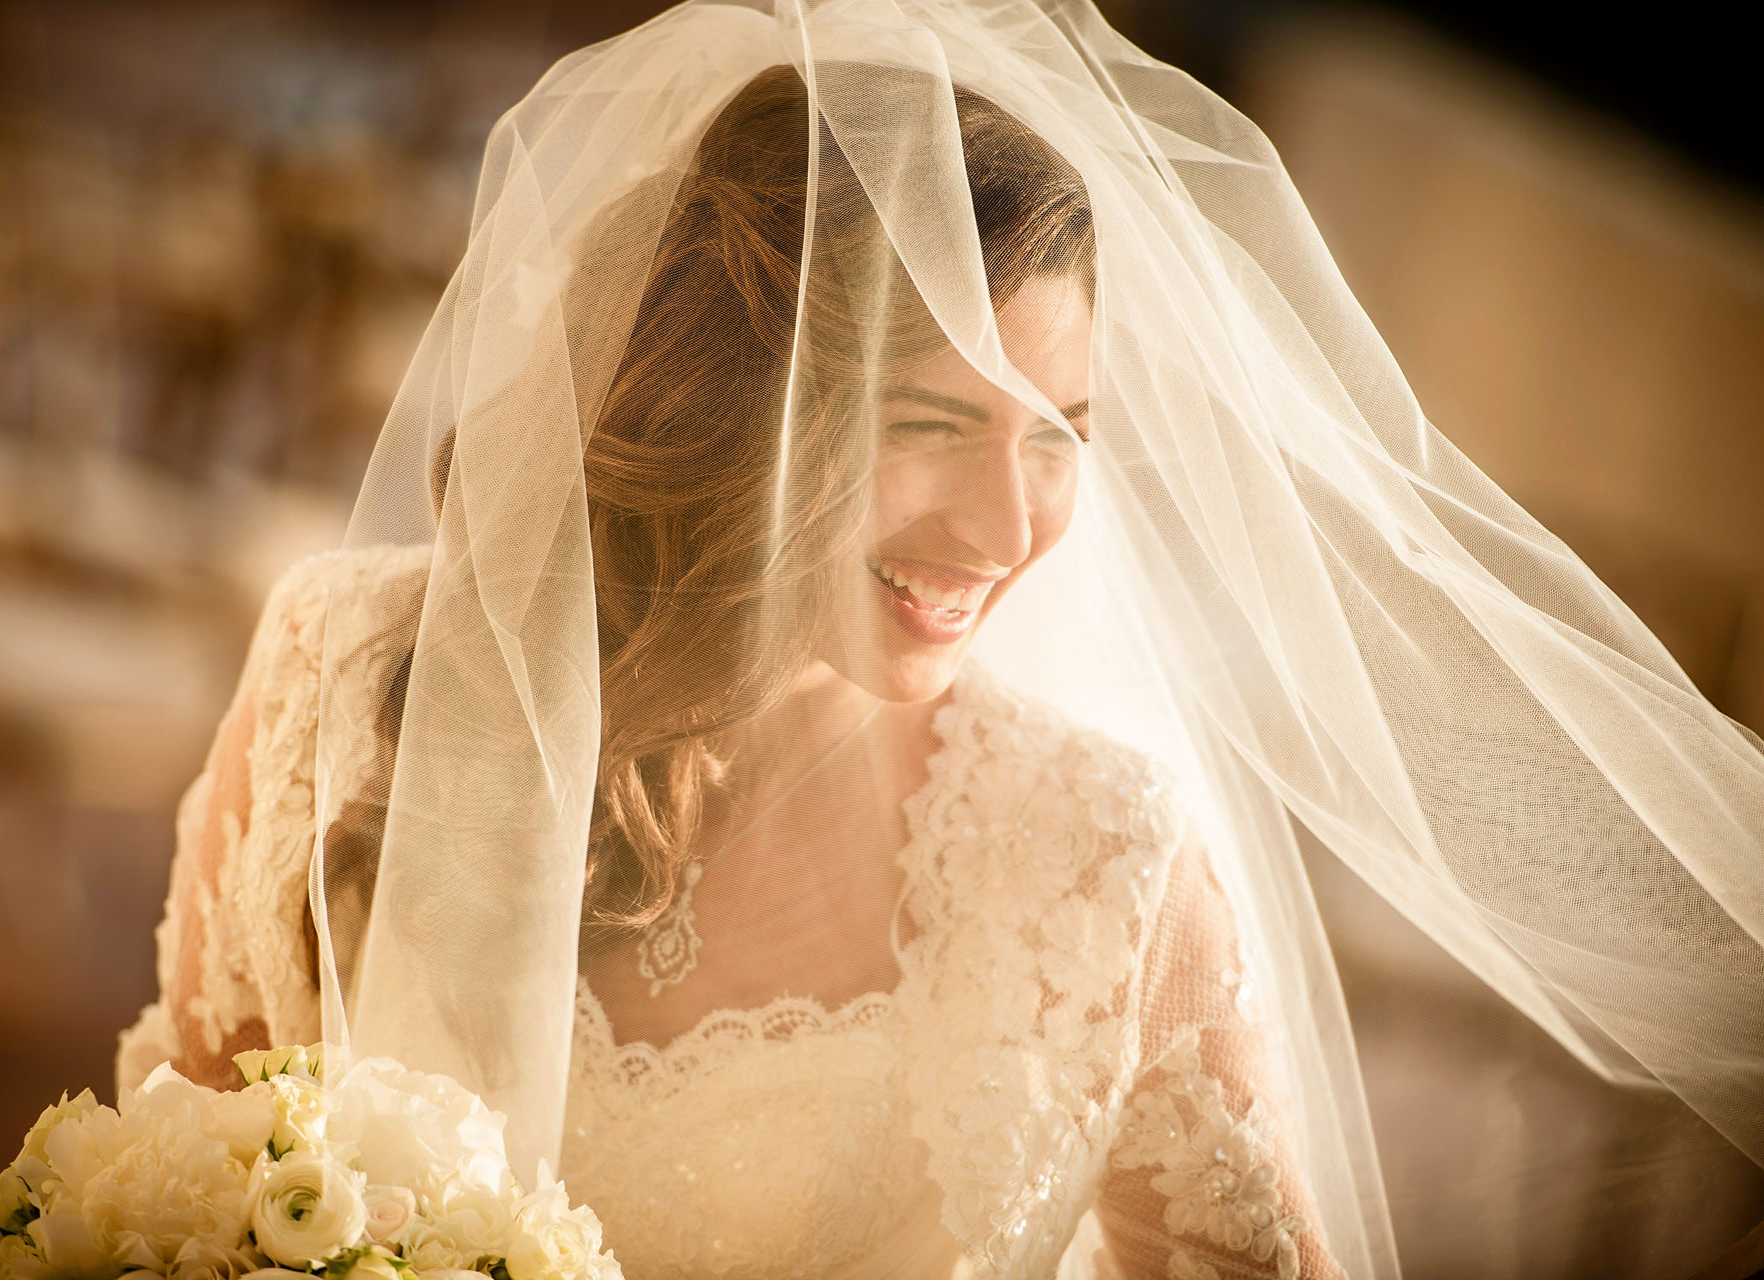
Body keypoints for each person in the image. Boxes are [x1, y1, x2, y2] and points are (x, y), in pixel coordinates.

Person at [118, 2, 1764, 1276]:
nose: (1008, 529)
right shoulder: (343, 675)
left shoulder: (1096, 864)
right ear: (734, 401)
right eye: (926, 422)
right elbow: (177, 1185)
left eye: (1062, 433)